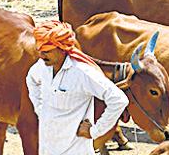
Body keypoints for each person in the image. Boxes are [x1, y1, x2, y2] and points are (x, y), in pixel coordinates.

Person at [26, 21, 128, 155]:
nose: (41, 55)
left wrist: (94, 131)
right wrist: (40, 109)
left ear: (62, 49)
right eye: (40, 51)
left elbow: (119, 100)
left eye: (47, 51)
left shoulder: (82, 72)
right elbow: (31, 79)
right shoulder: (43, 66)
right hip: (47, 149)